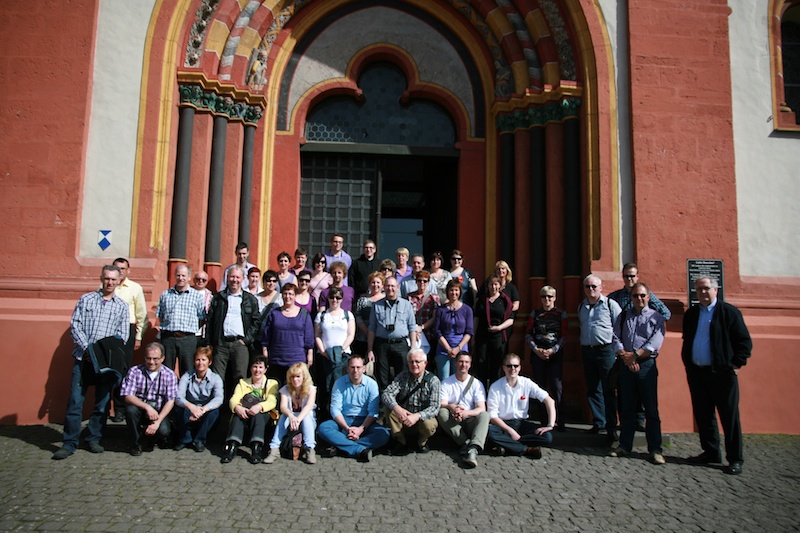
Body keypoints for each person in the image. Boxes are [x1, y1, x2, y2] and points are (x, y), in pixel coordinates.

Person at [52, 265, 130, 460]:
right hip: (83, 359)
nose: (110, 282)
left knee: (102, 404)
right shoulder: (86, 299)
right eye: (107, 278)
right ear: (101, 278)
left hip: (106, 364)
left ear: (119, 281)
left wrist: (102, 353)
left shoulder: (121, 306)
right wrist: (87, 349)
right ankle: (69, 443)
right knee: (75, 401)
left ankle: (94, 438)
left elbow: (122, 335)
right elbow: (75, 325)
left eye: (113, 279)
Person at [682, 276, 752, 475]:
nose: (703, 292)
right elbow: (688, 339)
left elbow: (744, 342)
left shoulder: (729, 312)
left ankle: (735, 458)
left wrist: (736, 364)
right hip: (698, 373)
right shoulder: (692, 313)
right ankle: (711, 452)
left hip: (722, 374)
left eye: (706, 288)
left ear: (715, 290)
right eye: (699, 289)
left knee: (729, 417)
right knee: (704, 415)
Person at [608, 262, 671, 433]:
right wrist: (625, 355)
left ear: (637, 277)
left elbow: (666, 314)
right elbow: (613, 328)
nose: (629, 279)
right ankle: (625, 436)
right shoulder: (615, 297)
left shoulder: (647, 297)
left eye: (632, 276)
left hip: (644, 358)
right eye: (626, 276)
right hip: (623, 354)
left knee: (648, 402)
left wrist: (651, 320)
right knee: (625, 397)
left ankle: (642, 425)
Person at [609, 283, 666, 464]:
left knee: (650, 409)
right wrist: (625, 356)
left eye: (642, 295)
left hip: (646, 365)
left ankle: (655, 449)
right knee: (627, 408)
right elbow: (615, 337)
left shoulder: (656, 317)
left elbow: (655, 342)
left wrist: (634, 356)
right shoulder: (624, 315)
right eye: (635, 296)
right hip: (626, 364)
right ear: (631, 297)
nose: (639, 299)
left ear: (648, 297)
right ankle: (625, 445)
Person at [317, 355, 390, 462]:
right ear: (347, 368)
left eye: (358, 367)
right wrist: (347, 428)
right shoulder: (339, 383)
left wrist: (360, 429)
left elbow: (373, 412)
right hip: (343, 421)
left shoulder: (372, 384)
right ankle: (359, 449)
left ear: (364, 369)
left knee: (384, 434)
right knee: (323, 428)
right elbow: (335, 409)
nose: (355, 370)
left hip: (365, 422)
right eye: (352, 367)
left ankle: (342, 447)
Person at [578, 274, 622, 441]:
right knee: (593, 388)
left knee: (608, 389)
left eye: (594, 286)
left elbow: (620, 326)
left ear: (600, 288)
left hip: (606, 351)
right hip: (588, 350)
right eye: (587, 286)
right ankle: (599, 422)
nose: (591, 289)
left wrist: (618, 350)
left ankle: (612, 426)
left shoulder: (610, 304)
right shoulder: (581, 306)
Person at [487, 353, 556, 458]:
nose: (512, 369)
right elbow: (492, 416)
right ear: (503, 368)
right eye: (509, 366)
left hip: (521, 424)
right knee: (490, 433)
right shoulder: (495, 387)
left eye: (516, 366)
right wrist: (510, 431)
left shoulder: (526, 383)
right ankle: (526, 449)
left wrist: (550, 425)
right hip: (503, 425)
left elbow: (549, 401)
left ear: (520, 368)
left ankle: (507, 446)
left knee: (547, 437)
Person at [206, 265, 261, 394]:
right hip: (221, 343)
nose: (234, 280)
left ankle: (237, 405)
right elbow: (210, 321)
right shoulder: (218, 298)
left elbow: (256, 322)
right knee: (217, 378)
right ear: (227, 278)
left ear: (243, 279)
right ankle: (217, 405)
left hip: (240, 344)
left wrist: (246, 340)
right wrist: (210, 343)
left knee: (240, 379)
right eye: (232, 277)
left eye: (237, 277)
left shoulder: (250, 299)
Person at [120, 342, 178, 456]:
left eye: (155, 359)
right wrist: (147, 407)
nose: (151, 362)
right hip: (140, 409)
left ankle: (153, 438)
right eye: (148, 358)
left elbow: (171, 401)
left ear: (162, 358)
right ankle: (136, 444)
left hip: (158, 412)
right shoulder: (134, 371)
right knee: (130, 410)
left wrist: (157, 422)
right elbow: (127, 395)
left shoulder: (170, 375)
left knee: (164, 431)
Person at [381, 348, 441, 455]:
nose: (414, 365)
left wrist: (417, 416)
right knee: (388, 408)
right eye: (411, 362)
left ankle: (421, 443)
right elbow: (386, 394)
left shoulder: (433, 381)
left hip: (420, 421)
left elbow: (435, 407)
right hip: (403, 418)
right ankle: (400, 442)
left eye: (417, 361)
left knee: (430, 423)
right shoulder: (402, 376)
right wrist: (397, 408)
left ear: (425, 363)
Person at [220, 356, 279, 464]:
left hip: (263, 415)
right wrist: (238, 407)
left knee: (258, 415)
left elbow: (272, 401)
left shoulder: (272, 383)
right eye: (255, 367)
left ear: (265, 369)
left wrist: (259, 407)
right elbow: (234, 398)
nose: (257, 370)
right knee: (237, 415)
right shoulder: (242, 383)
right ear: (251, 368)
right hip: (245, 412)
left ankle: (256, 448)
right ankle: (232, 446)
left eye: (260, 367)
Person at [110, 257, 148, 422]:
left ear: (128, 270)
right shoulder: (107, 285)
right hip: (107, 331)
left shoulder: (135, 288)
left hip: (127, 331)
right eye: (117, 268)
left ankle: (120, 408)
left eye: (123, 269)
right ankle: (104, 407)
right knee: (106, 369)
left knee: (122, 370)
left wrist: (138, 337)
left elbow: (141, 314)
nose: (120, 272)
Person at [525, 285, 568, 430]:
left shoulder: (561, 314)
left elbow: (564, 335)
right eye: (544, 296)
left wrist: (553, 350)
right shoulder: (535, 314)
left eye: (550, 296)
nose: (547, 299)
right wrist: (536, 349)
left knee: (557, 387)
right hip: (538, 353)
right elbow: (528, 333)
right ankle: (543, 420)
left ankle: (560, 420)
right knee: (540, 387)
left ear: (555, 298)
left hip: (554, 353)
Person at [437, 352, 489, 468]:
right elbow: (442, 403)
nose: (463, 365)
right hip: (454, 421)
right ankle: (465, 443)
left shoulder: (476, 384)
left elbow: (481, 407)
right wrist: (452, 407)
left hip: (470, 420)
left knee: (485, 415)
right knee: (441, 412)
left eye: (466, 362)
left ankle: (473, 447)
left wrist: (467, 413)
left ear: (470, 365)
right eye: (461, 361)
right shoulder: (446, 383)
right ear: (455, 363)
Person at [367, 276, 419, 390]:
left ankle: (401, 399)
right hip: (382, 345)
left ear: (398, 287)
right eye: (387, 286)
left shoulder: (406, 304)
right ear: (384, 287)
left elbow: (412, 327)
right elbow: (372, 328)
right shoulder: (376, 305)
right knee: (382, 377)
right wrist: (370, 350)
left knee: (403, 376)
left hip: (400, 345)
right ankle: (384, 399)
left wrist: (413, 348)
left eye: (392, 286)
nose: (390, 288)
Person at [156, 264, 206, 375]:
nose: (180, 278)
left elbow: (202, 318)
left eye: (183, 275)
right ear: (175, 276)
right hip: (168, 338)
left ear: (189, 277)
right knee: (166, 370)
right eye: (178, 275)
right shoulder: (165, 294)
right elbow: (160, 315)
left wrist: (189, 329)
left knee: (188, 371)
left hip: (187, 339)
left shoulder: (196, 296)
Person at [264, 363, 318, 464]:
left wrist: (297, 419)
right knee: (283, 417)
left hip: (307, 419)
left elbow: (308, 407)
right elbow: (283, 407)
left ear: (304, 377)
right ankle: (274, 449)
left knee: (306, 416)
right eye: (292, 377)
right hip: (291, 418)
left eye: (298, 376)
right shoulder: (285, 389)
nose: (295, 379)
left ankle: (310, 449)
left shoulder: (311, 389)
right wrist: (291, 416)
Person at [261, 283, 315, 384]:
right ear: (282, 295)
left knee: (294, 390)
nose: (288, 296)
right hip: (276, 359)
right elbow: (266, 335)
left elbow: (309, 337)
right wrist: (265, 352)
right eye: (285, 294)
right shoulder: (274, 313)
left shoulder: (304, 314)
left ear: (295, 296)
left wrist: (310, 354)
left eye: (290, 294)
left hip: (297, 360)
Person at [174, 346, 224, 452]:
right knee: (179, 408)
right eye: (198, 360)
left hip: (205, 409)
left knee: (215, 412)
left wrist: (203, 410)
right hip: (190, 408)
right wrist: (192, 407)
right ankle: (185, 439)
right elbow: (178, 396)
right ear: (194, 361)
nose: (200, 363)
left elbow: (219, 399)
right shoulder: (186, 376)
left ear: (209, 362)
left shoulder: (216, 378)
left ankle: (199, 440)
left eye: (203, 360)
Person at [314, 286, 355, 413]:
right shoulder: (321, 316)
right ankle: (325, 414)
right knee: (325, 387)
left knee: (342, 386)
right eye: (332, 297)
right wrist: (323, 352)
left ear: (342, 299)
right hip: (325, 357)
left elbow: (351, 334)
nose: (335, 300)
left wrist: (341, 350)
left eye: (338, 297)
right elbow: (317, 335)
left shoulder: (348, 315)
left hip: (343, 357)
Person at [473, 274, 515, 388]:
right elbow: (476, 318)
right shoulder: (482, 300)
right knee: (481, 363)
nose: (493, 287)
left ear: (500, 286)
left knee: (495, 365)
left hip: (498, 336)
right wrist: (473, 336)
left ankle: (494, 390)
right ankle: (481, 391)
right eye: (491, 284)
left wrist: (499, 327)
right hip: (482, 335)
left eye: (496, 284)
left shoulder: (505, 301)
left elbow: (511, 319)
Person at [433, 279, 473, 379]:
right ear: (447, 292)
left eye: (456, 290)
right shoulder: (441, 310)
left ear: (460, 291)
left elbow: (469, 332)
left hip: (461, 349)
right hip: (443, 348)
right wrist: (448, 349)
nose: (454, 293)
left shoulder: (467, 310)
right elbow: (437, 331)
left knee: (459, 378)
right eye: (451, 290)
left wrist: (458, 348)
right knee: (444, 379)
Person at [406, 270, 440, 356]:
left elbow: (435, 317)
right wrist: (414, 330)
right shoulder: (409, 297)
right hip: (412, 335)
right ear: (416, 282)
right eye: (419, 280)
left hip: (429, 335)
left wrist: (422, 328)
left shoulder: (434, 297)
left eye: (424, 281)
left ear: (428, 282)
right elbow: (406, 316)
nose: (422, 283)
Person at [353, 271, 385, 358]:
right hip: (363, 337)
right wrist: (367, 332)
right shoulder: (363, 300)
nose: (375, 285)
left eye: (378, 282)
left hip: (380, 337)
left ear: (382, 285)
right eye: (373, 282)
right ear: (369, 284)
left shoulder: (386, 300)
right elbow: (358, 316)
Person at [191, 269, 213, 340]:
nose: (200, 281)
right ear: (194, 280)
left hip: (202, 332)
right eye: (198, 279)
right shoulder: (187, 292)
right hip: (188, 332)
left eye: (204, 280)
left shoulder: (210, 296)